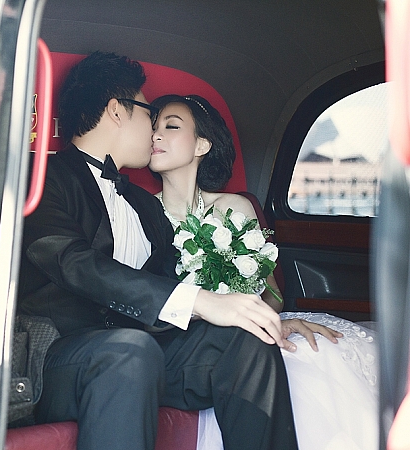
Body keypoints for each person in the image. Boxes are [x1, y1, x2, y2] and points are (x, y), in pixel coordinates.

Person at [18, 51, 299, 450]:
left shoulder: (144, 205)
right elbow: (73, 262)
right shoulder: (43, 178)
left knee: (246, 342)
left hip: (146, 348)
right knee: (130, 352)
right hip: (62, 358)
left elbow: (172, 279)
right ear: (118, 111)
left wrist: (258, 316)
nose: (153, 132)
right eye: (149, 115)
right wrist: (199, 301)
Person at [149, 93, 379, 450]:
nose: (156, 135)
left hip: (252, 329)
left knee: (320, 353)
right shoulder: (143, 215)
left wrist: (262, 320)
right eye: (153, 127)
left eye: (171, 126)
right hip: (196, 349)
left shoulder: (235, 207)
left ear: (202, 145)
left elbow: (272, 294)